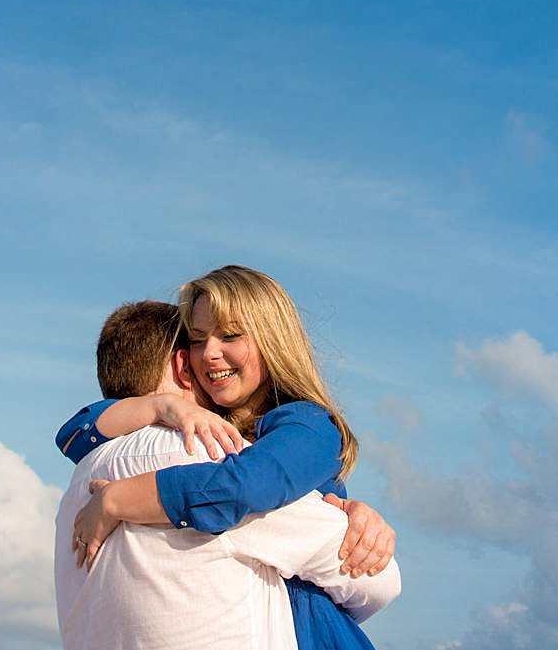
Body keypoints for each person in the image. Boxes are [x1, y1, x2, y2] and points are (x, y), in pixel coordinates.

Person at [63, 266, 398, 650]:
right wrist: (160, 405)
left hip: (314, 631)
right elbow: (75, 435)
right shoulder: (206, 429)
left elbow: (241, 487)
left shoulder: (310, 425)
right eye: (198, 339)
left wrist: (117, 499)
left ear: (273, 339)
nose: (209, 353)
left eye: (230, 335)